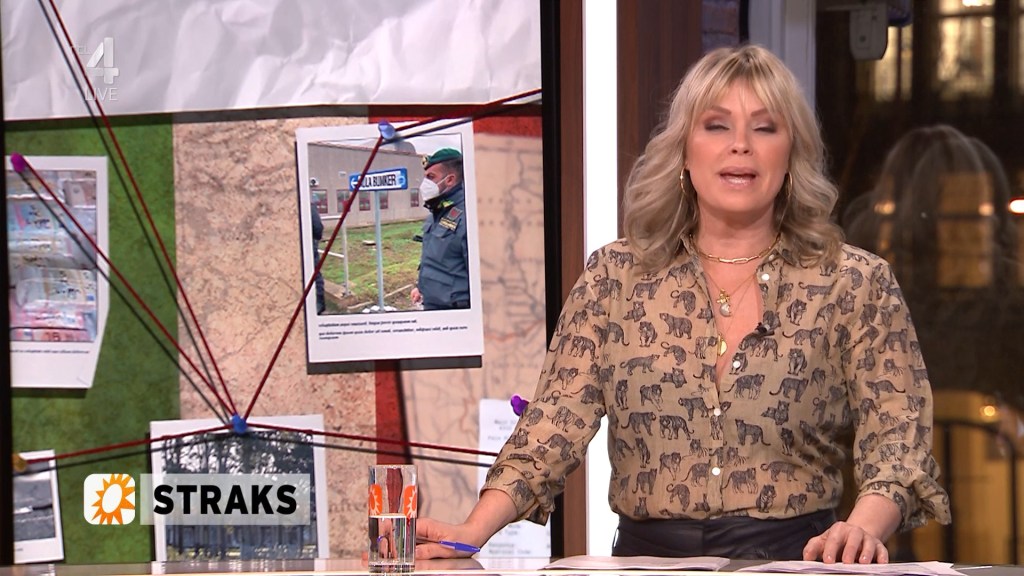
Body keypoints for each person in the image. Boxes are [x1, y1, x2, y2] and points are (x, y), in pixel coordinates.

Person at [415, 45, 950, 562]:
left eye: (764, 128)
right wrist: (473, 530)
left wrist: (860, 530)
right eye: (716, 126)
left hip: (797, 561)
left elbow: (898, 442)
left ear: (791, 154)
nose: (740, 145)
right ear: (684, 151)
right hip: (646, 564)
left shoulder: (854, 282)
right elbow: (552, 425)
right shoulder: (614, 276)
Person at [411, 147, 471, 311]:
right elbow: (434, 259)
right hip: (433, 305)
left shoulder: (469, 216)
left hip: (456, 310)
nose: (425, 184)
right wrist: (420, 287)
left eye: (431, 177)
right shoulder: (437, 212)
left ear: (450, 179)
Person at [310, 203, 326, 314]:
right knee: (315, 273)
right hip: (309, 243)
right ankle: (319, 304)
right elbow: (318, 227)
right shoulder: (309, 206)